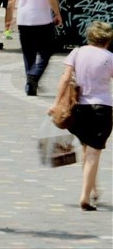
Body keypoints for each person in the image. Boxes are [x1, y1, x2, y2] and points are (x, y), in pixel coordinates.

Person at [49, 21, 113, 211]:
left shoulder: (77, 52)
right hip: (102, 108)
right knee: (93, 153)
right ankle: (85, 197)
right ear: (107, 40)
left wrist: (56, 102)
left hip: (79, 109)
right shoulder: (110, 57)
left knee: (86, 150)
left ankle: (93, 191)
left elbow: (65, 78)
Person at [6, 0, 62, 96]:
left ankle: (31, 85)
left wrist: (8, 20)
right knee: (47, 50)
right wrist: (57, 13)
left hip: (24, 19)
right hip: (42, 19)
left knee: (28, 53)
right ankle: (34, 76)